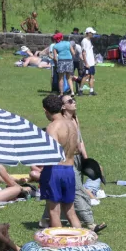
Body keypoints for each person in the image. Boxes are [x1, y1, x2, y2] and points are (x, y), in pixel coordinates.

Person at [42, 94, 81, 229]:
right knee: (71, 211)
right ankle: (80, 239)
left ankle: (58, 241)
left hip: (55, 170)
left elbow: (53, 152)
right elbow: (77, 148)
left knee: (54, 212)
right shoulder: (72, 124)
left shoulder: (52, 127)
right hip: (69, 170)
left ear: (46, 110)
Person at [80, 27, 98, 96]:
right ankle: (80, 90)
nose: (93, 34)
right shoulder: (84, 41)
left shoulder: (89, 40)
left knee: (92, 76)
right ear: (88, 33)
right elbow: (84, 53)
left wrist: (94, 60)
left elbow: (90, 51)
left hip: (91, 62)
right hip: (87, 63)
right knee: (86, 76)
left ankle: (91, 91)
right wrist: (86, 63)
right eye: (92, 33)